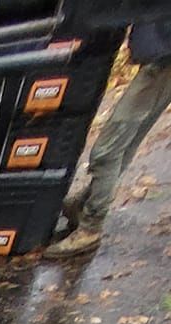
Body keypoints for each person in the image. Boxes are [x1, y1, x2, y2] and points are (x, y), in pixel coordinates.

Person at [45, 23, 171, 259]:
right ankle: (85, 203)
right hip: (162, 51)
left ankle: (91, 226)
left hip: (164, 56)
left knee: (108, 148)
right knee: (127, 139)